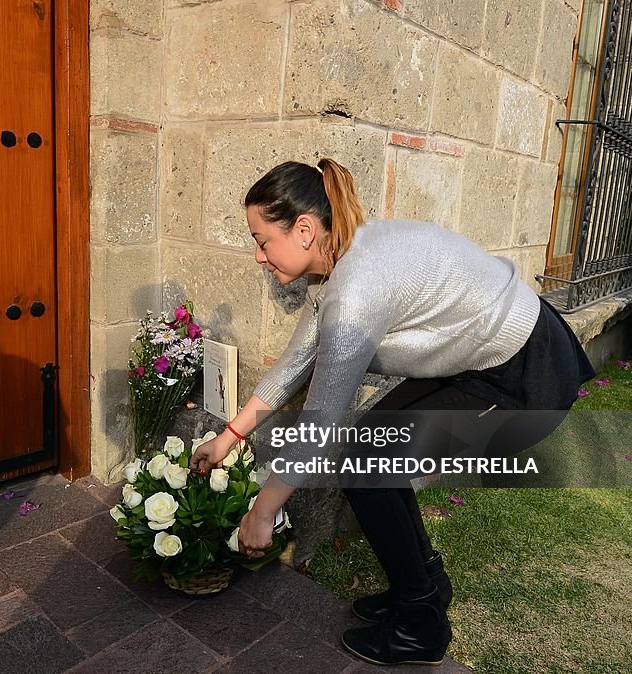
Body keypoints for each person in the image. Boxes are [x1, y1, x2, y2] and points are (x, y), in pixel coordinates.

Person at [190, 157, 594, 666]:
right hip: (487, 358)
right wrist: (227, 438)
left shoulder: (356, 288)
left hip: (524, 376)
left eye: (262, 239)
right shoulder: (341, 268)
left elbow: (321, 424)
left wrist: (264, 509)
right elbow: (293, 367)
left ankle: (421, 626)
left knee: (366, 464)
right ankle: (423, 586)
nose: (257, 256)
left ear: (306, 230)